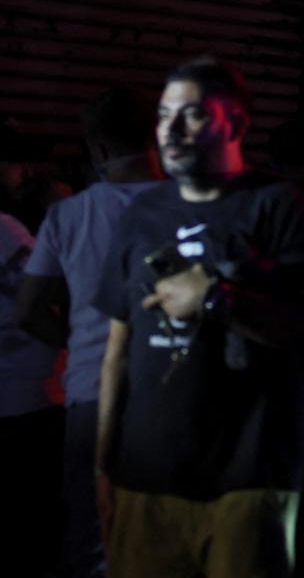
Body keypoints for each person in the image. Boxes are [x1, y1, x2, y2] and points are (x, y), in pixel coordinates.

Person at [92, 58, 304, 578]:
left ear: (238, 124)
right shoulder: (143, 213)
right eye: (164, 115)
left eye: (193, 115)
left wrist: (218, 299)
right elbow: (116, 353)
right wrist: (103, 466)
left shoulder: (278, 204)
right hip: (145, 478)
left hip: (247, 481)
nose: (171, 131)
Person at [18, 89, 162, 578]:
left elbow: (29, 309)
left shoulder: (68, 215)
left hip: (90, 398)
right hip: (171, 401)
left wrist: (74, 341)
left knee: (89, 537)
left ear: (98, 150)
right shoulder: (193, 210)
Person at [1, 207, 66, 578]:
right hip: (29, 389)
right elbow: (40, 293)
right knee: (37, 517)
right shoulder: (4, 229)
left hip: (15, 390)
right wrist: (71, 343)